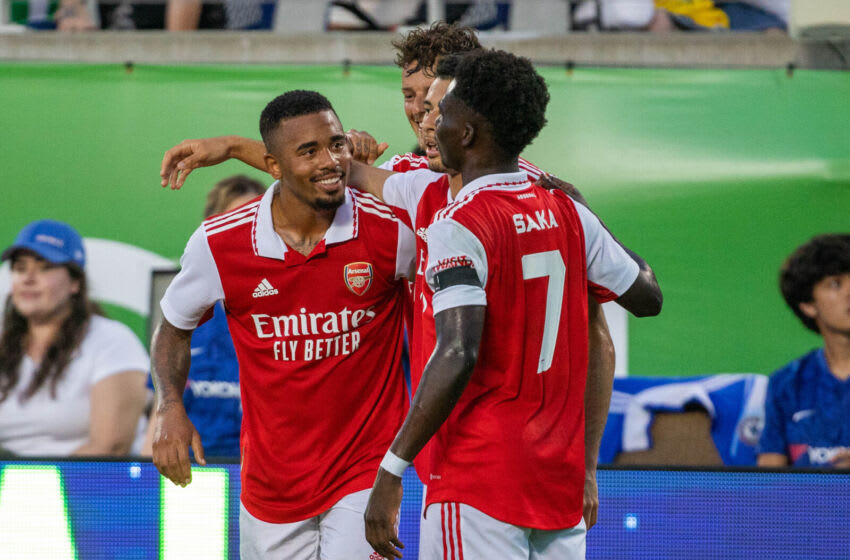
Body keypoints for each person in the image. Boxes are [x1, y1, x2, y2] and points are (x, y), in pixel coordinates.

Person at [362, 49, 658, 560]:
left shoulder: (459, 224)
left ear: (469, 133)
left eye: (443, 111)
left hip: (479, 480)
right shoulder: (565, 207)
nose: (431, 123)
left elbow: (458, 352)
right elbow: (647, 296)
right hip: (556, 482)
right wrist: (590, 218)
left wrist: (392, 469)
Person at [150, 90, 415, 559]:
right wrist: (169, 405)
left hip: (365, 474)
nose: (331, 161)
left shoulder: (393, 231)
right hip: (271, 485)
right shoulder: (220, 243)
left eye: (337, 144)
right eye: (309, 151)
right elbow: (173, 327)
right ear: (272, 166)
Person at [0, 219, 149, 456]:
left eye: (45, 267)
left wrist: (30, 484)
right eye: (19, 268)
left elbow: (110, 448)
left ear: (75, 283)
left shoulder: (112, 340)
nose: (28, 278)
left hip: (90, 488)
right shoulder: (4, 343)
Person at [142, 175, 266, 459]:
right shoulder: (184, 324)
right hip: (192, 476)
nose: (242, 233)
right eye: (231, 222)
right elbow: (158, 425)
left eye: (252, 221)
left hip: (266, 474)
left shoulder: (295, 316)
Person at [757, 234, 850, 468]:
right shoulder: (787, 383)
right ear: (808, 305)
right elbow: (769, 474)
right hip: (807, 503)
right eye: (836, 284)